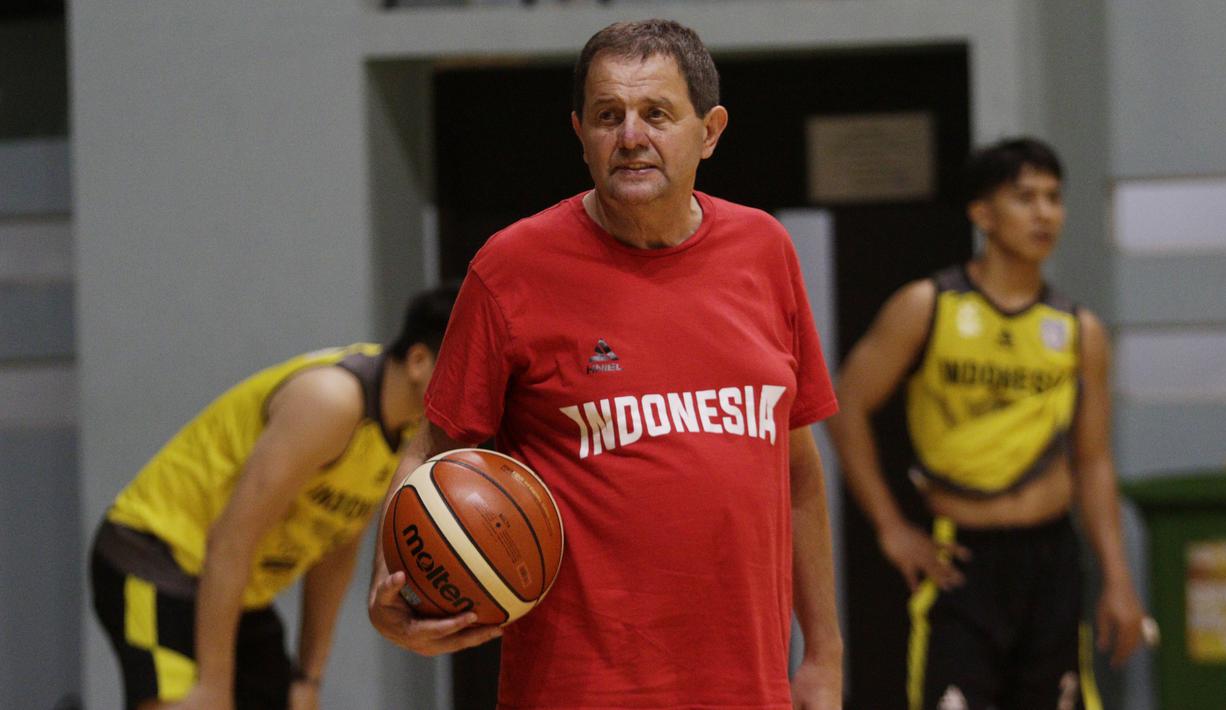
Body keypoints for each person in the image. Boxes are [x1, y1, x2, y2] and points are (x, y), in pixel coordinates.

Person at [368, 18, 843, 710]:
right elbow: (430, 452)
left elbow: (797, 471)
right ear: (579, 134)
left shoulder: (763, 251)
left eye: (656, 114)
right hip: (577, 690)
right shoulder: (512, 267)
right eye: (606, 116)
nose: (629, 137)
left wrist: (824, 655)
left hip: (746, 687)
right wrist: (391, 586)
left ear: (708, 132)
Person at [827, 137, 1147, 710]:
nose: (1044, 212)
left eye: (1054, 198)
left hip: (1052, 557)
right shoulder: (928, 305)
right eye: (1024, 197)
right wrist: (892, 528)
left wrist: (1118, 579)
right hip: (962, 558)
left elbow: (1094, 462)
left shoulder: (1079, 331)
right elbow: (844, 402)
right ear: (982, 213)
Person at [89, 284, 457, 710]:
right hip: (156, 557)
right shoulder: (331, 402)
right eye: (468, 368)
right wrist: (213, 686)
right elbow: (232, 537)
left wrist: (308, 677)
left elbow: (337, 549)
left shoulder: (408, 430)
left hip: (231, 586)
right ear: (418, 361)